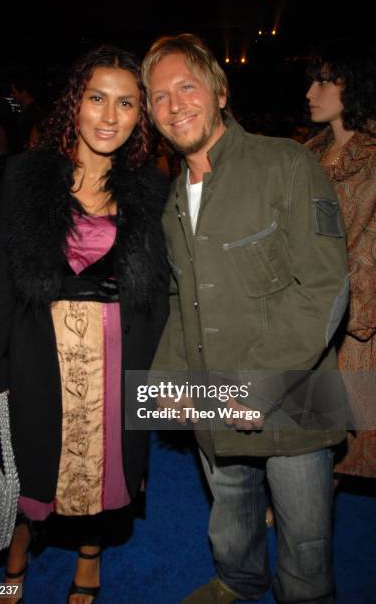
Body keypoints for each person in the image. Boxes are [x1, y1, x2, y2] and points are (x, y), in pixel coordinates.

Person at [142, 33, 349, 604]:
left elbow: (327, 289)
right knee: (231, 511)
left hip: (295, 395)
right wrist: (169, 377)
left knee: (306, 542)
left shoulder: (287, 163)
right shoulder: (171, 200)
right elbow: (183, 302)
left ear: (220, 90)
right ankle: (238, 580)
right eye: (159, 96)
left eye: (187, 87)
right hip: (214, 394)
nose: (175, 104)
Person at [0, 45, 169, 604]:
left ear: (140, 116)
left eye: (126, 103)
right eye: (97, 98)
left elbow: (156, 297)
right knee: (33, 465)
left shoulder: (151, 193)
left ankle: (90, 552)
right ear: (75, 104)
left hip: (116, 355)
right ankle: (17, 549)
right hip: (41, 351)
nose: (109, 117)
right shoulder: (26, 177)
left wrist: (151, 377)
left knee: (104, 465)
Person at [306, 44, 376, 480]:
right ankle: (309, 488)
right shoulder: (308, 151)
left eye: (324, 81)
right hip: (308, 300)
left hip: (358, 311)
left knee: (359, 417)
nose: (311, 92)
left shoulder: (373, 156)